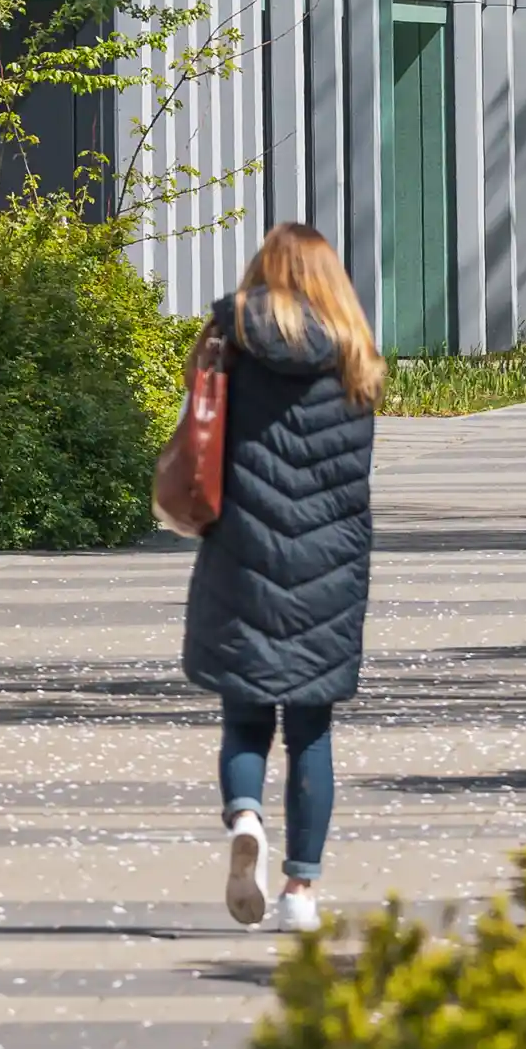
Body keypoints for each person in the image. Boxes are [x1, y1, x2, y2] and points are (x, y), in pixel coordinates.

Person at [181, 221, 378, 940]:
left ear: (265, 268)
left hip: (244, 548)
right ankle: (300, 890)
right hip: (329, 563)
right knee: (311, 731)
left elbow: (197, 427)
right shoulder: (356, 354)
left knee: (244, 714)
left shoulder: (228, 341)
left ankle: (245, 819)